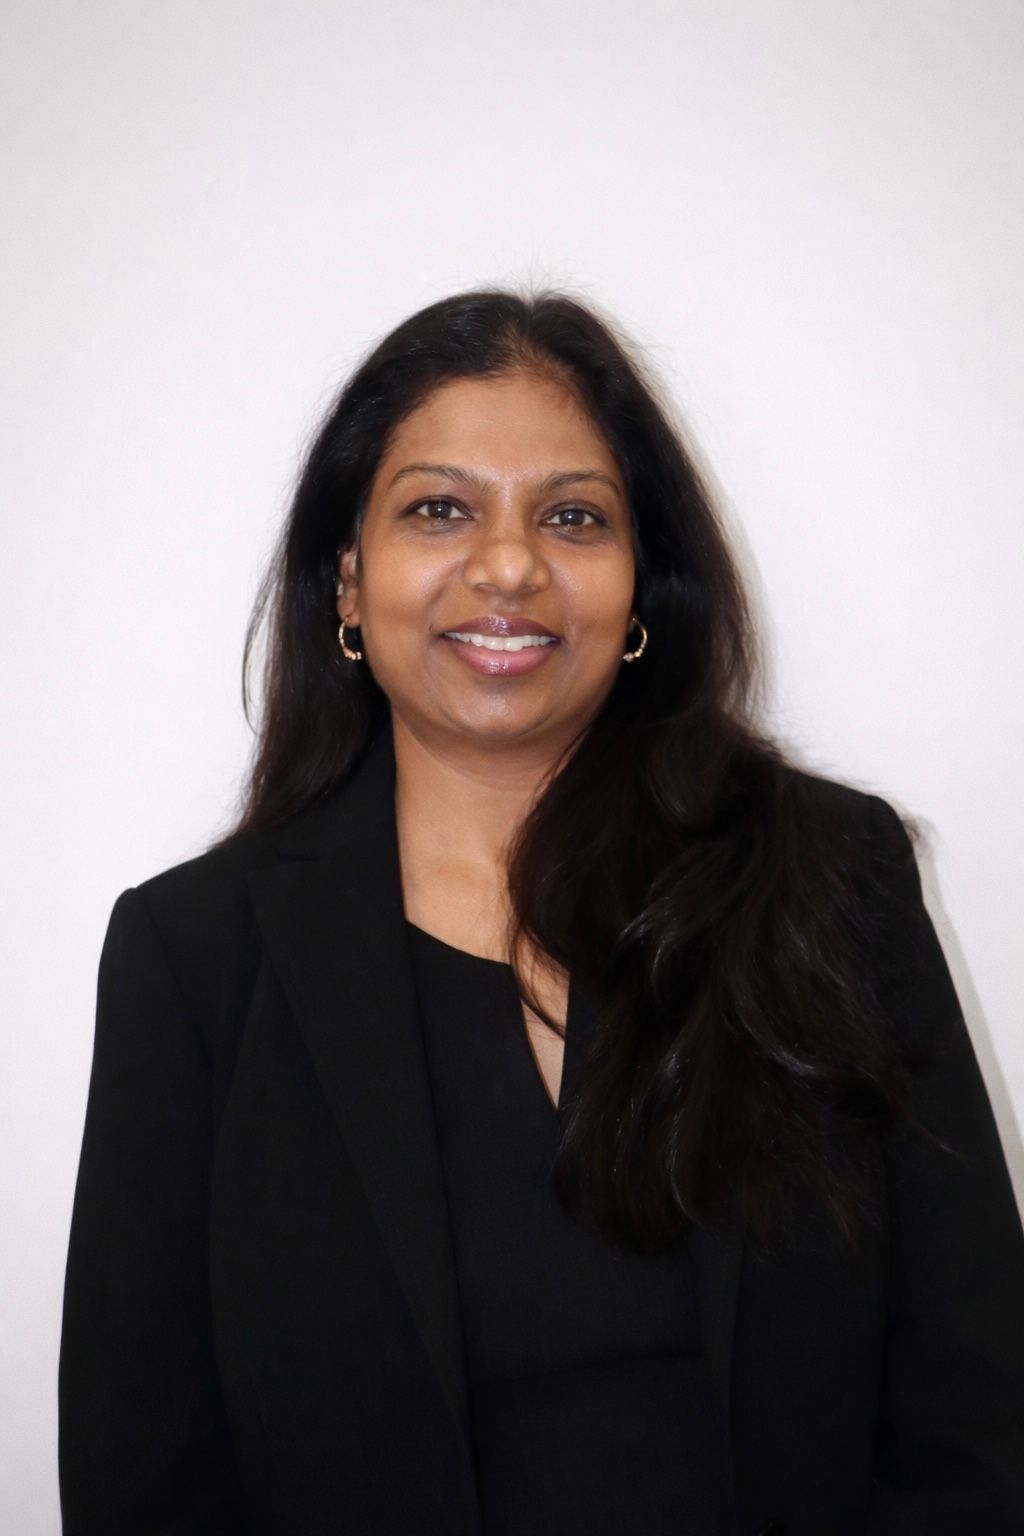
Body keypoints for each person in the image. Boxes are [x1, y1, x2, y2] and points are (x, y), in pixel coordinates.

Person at [59, 289, 1024, 1536]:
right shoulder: (192, 960)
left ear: (639, 591)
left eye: (572, 516)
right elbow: (147, 1474)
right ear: (347, 584)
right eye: (439, 509)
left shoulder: (830, 881)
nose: (508, 565)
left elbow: (975, 1408)